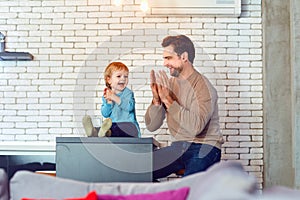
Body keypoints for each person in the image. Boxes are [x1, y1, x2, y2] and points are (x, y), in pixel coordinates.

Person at [145, 35, 224, 180]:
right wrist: (156, 100)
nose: (164, 63)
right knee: (138, 169)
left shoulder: (204, 87)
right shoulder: (170, 84)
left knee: (190, 185)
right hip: (178, 147)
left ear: (184, 57)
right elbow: (152, 126)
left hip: (205, 147)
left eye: (168, 58)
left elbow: (195, 128)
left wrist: (168, 101)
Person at [83, 61, 140, 138]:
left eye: (126, 76)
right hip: (113, 125)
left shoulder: (128, 93)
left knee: (115, 129)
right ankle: (94, 131)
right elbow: (105, 114)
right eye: (119, 76)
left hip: (129, 126)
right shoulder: (107, 94)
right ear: (109, 80)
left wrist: (114, 97)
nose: (123, 78)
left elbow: (129, 107)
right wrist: (108, 103)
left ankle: (105, 133)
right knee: (108, 127)